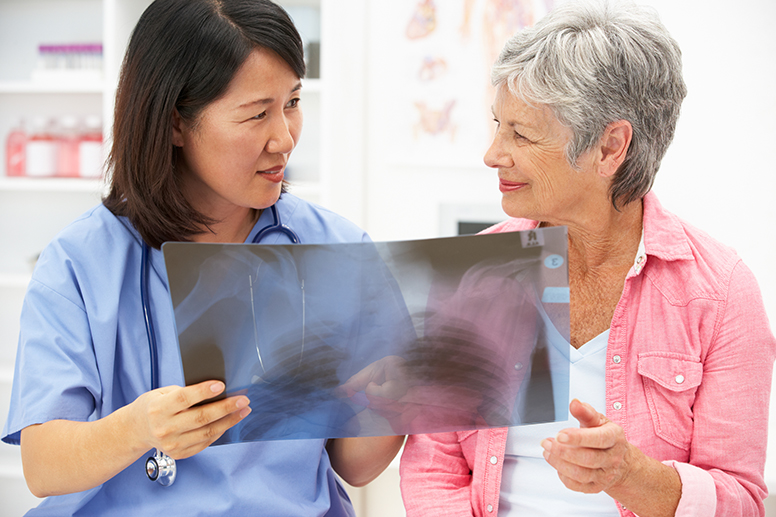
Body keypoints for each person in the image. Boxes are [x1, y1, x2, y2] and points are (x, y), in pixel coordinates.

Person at [1, 0, 403, 514]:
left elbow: (354, 465)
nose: (284, 138)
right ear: (174, 122)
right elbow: (43, 466)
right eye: (257, 113)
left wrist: (399, 402)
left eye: (293, 102)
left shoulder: (339, 250)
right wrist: (138, 428)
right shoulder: (80, 262)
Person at [399, 1, 776, 516]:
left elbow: (741, 500)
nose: (493, 154)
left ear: (609, 147)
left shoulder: (721, 291)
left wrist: (632, 477)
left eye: (522, 134)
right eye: (498, 124)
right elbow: (434, 468)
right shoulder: (469, 272)